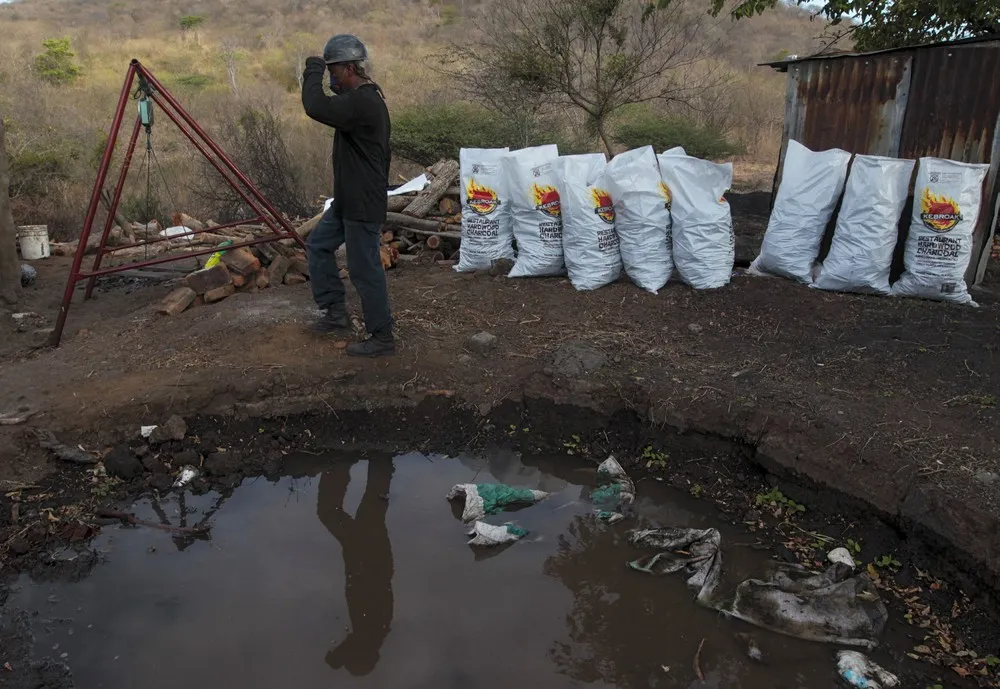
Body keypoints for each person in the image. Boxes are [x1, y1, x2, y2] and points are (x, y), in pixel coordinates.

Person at [301, 34, 394, 357]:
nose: (331, 77)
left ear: (351, 68)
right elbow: (327, 105)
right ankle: (335, 313)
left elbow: (315, 105)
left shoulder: (363, 102)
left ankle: (382, 336)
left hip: (363, 202)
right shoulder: (359, 100)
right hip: (348, 199)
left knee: (364, 268)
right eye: (327, 71)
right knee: (318, 245)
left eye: (333, 71)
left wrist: (311, 68)